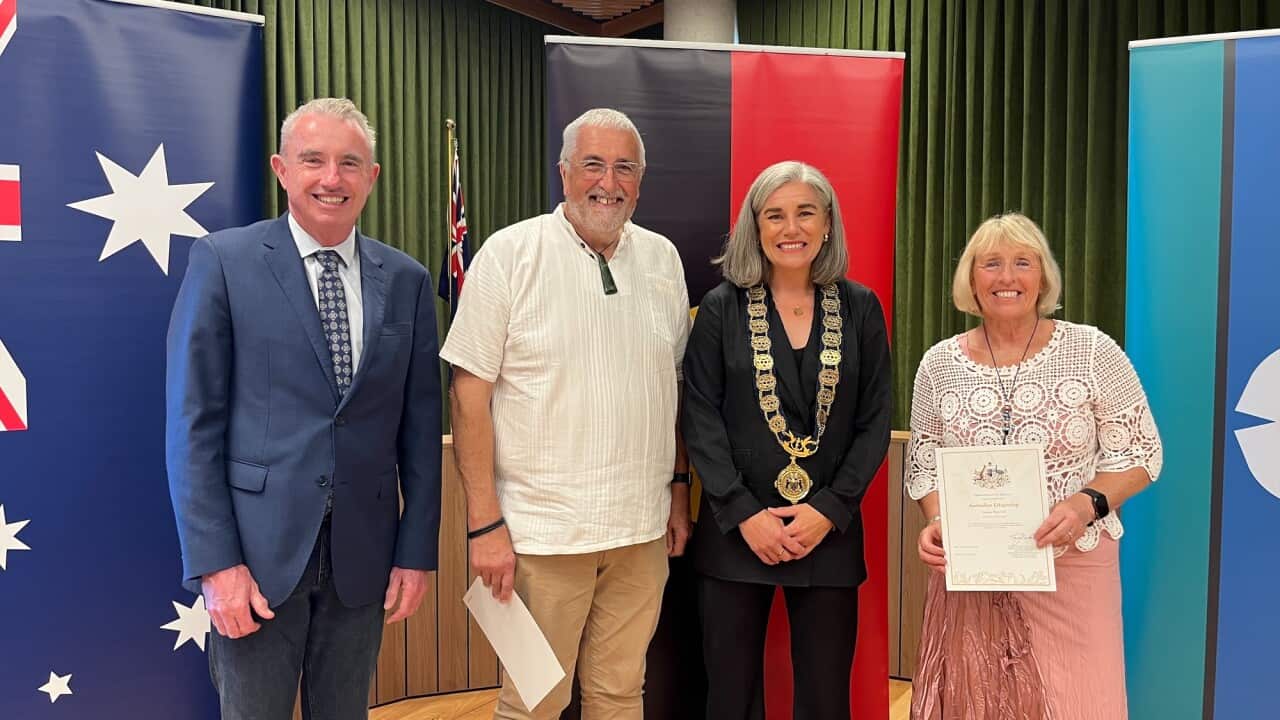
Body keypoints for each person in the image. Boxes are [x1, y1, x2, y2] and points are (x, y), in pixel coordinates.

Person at [165, 97, 442, 720]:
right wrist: (216, 565)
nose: (331, 179)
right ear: (281, 169)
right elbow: (192, 427)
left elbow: (422, 433)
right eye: (312, 160)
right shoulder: (224, 262)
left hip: (363, 561)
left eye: (350, 163)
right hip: (255, 564)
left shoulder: (407, 280)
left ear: (371, 177)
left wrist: (416, 552)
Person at [441, 107, 692, 720]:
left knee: (619, 694)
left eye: (624, 167)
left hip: (641, 532)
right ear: (564, 173)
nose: (608, 181)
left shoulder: (664, 261)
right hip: (537, 538)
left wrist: (680, 492)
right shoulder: (508, 254)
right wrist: (484, 525)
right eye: (593, 165)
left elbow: (676, 392)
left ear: (640, 179)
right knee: (533, 699)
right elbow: (468, 397)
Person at [907, 212, 1163, 719]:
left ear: (1043, 277)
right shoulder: (937, 364)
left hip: (1072, 566)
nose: (1007, 278)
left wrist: (1086, 503)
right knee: (975, 702)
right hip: (973, 573)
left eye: (1023, 263)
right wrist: (936, 521)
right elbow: (924, 465)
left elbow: (1141, 455)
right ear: (970, 280)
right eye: (992, 264)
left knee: (1077, 699)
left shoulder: (1091, 350)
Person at [681, 160, 891, 720]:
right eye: (774, 215)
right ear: (756, 226)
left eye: (805, 213)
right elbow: (700, 415)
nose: (790, 227)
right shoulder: (721, 308)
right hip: (734, 530)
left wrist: (831, 506)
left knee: (826, 698)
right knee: (729, 697)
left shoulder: (861, 307)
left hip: (829, 529)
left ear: (828, 225)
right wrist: (741, 510)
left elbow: (875, 420)